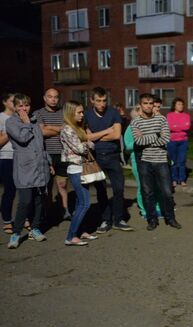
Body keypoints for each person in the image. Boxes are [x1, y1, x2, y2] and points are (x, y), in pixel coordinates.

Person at [5, 94, 52, 249]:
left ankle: (35, 228)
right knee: (25, 201)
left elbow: (41, 144)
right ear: (15, 107)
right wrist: (26, 124)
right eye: (20, 106)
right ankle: (16, 233)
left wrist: (49, 163)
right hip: (25, 168)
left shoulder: (35, 120)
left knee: (39, 199)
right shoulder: (11, 122)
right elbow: (22, 138)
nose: (24, 109)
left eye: (26, 105)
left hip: (40, 166)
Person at [84, 87, 133, 233]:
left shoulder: (113, 113)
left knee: (119, 188)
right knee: (101, 190)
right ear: (92, 100)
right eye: (98, 101)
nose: (102, 104)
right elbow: (86, 137)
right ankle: (106, 220)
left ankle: (118, 219)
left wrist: (96, 136)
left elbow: (117, 135)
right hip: (96, 157)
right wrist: (106, 131)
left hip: (113, 156)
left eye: (104, 100)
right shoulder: (87, 114)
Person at [131, 93, 182, 230]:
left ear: (154, 104)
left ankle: (170, 218)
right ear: (140, 105)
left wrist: (148, 138)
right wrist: (156, 135)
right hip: (145, 162)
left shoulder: (161, 119)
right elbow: (138, 141)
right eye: (145, 103)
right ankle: (152, 220)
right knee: (148, 192)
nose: (148, 106)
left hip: (161, 161)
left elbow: (165, 139)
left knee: (166, 191)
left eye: (150, 103)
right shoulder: (135, 122)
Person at [60, 101, 107, 246]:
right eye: (79, 112)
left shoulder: (78, 128)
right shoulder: (67, 129)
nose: (82, 115)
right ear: (70, 113)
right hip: (76, 169)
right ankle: (71, 236)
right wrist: (88, 141)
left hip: (82, 169)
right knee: (85, 203)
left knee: (81, 202)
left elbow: (88, 144)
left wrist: (87, 141)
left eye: (82, 112)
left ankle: (81, 231)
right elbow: (82, 148)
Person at [33, 88, 70, 221]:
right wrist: (60, 129)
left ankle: (65, 210)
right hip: (45, 154)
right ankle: (46, 212)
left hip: (62, 154)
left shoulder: (63, 113)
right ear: (44, 98)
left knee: (62, 184)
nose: (53, 99)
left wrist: (49, 127)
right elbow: (42, 132)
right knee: (46, 186)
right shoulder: (38, 113)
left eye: (55, 97)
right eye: (50, 97)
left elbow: (68, 129)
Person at [124, 106, 162, 218]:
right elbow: (128, 146)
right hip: (138, 160)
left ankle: (157, 208)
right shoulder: (131, 128)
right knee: (143, 186)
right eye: (141, 110)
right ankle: (145, 210)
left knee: (156, 185)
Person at [0, 93, 16, 234]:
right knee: (10, 190)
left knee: (25, 191)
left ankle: (25, 219)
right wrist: (10, 131)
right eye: (12, 101)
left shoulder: (19, 117)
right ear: (5, 102)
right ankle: (7, 220)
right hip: (6, 158)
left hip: (22, 158)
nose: (15, 103)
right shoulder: (1, 118)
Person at [166, 97, 191, 187]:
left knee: (182, 161)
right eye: (179, 104)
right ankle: (174, 179)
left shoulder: (186, 115)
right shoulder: (169, 115)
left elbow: (187, 127)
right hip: (172, 141)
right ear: (174, 105)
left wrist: (176, 127)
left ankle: (182, 179)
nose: (181, 106)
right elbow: (169, 127)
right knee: (173, 161)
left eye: (182, 104)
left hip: (183, 141)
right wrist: (180, 127)